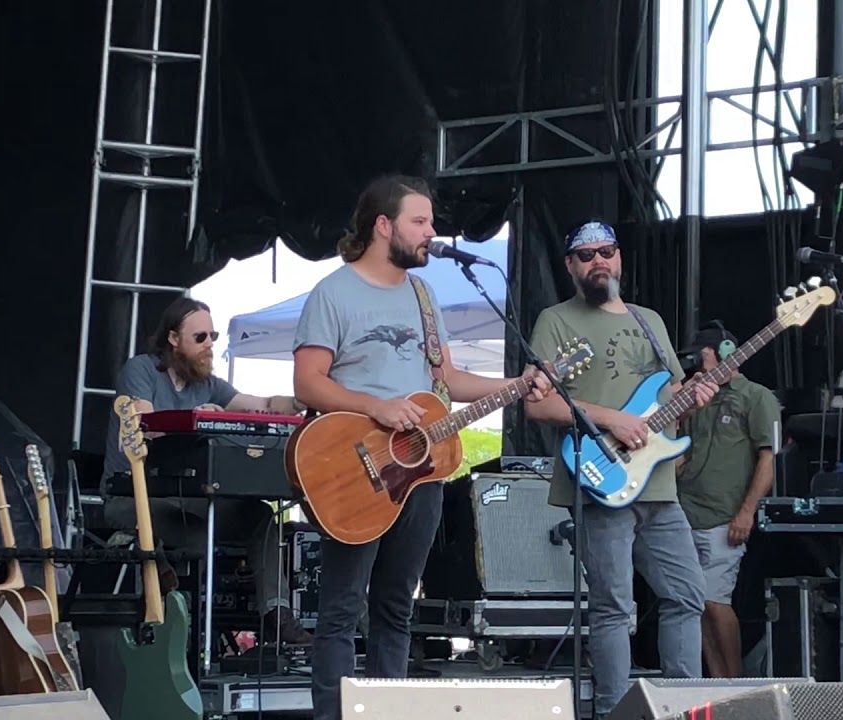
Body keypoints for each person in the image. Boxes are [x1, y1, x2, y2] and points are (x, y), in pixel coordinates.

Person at [291, 174, 552, 720]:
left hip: (421, 471)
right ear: (383, 226)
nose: (433, 232)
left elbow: (448, 380)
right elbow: (308, 384)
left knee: (395, 608)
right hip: (352, 468)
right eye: (421, 221)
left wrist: (516, 385)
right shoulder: (333, 293)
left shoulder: (422, 294)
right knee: (341, 611)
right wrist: (375, 407)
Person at [523, 220, 718, 719]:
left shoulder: (647, 318)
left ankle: (681, 707)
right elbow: (539, 408)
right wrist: (611, 419)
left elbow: (670, 398)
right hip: (601, 478)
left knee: (688, 595)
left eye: (606, 251)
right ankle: (614, 712)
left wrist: (696, 395)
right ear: (570, 266)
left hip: (656, 482)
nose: (597, 262)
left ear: (620, 257)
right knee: (614, 608)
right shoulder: (555, 320)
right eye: (585, 255)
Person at [102, 296, 313, 645]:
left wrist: (300, 401)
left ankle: (277, 614)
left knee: (260, 518)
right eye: (200, 337)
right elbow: (146, 425)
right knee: (199, 536)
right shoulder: (140, 370)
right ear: (173, 339)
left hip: (189, 498)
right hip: (135, 496)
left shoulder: (209, 383)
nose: (210, 345)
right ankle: (182, 629)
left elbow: (260, 406)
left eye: (213, 336)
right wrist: (202, 422)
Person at [675, 321, 779, 678]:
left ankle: (733, 683)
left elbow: (769, 459)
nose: (700, 371)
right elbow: (680, 450)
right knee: (694, 605)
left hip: (725, 516)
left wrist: (746, 513)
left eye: (705, 362)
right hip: (684, 514)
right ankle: (717, 682)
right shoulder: (696, 397)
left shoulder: (756, 397)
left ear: (725, 355)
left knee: (716, 602)